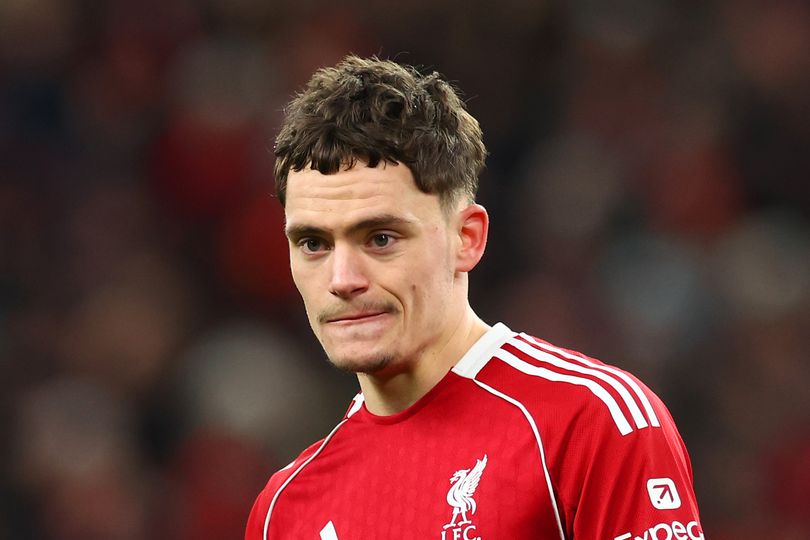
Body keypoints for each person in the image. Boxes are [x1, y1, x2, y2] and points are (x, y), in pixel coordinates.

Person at [245, 55, 703, 540]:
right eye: (313, 243)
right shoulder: (284, 509)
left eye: (380, 238)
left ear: (467, 238)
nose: (342, 278)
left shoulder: (593, 423)